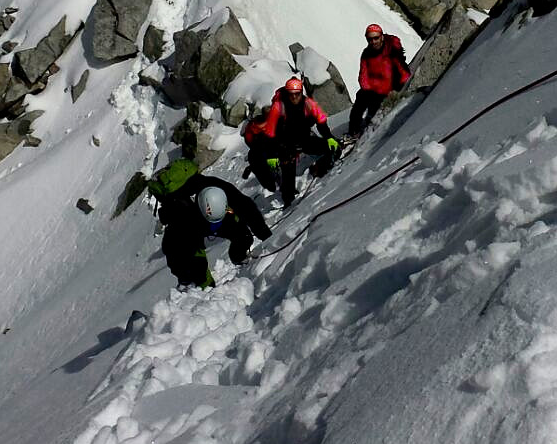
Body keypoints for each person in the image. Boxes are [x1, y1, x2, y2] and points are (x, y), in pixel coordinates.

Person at [151, 158, 270, 288]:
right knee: (191, 267)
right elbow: (186, 252)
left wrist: (265, 234)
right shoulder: (181, 217)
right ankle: (191, 285)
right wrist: (205, 286)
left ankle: (240, 259)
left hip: (213, 218)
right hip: (192, 226)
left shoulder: (215, 187)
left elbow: (244, 205)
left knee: (243, 236)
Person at [241, 77, 339, 206]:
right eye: (291, 94)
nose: (294, 97)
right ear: (287, 93)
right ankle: (289, 199)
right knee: (288, 171)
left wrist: (329, 137)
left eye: (297, 94)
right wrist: (272, 155)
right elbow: (270, 132)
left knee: (334, 148)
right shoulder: (279, 107)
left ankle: (318, 169)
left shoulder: (308, 103)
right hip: (285, 145)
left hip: (304, 139)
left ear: (301, 92)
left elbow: (320, 120)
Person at [348, 23, 411, 139]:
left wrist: (400, 87)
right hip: (373, 91)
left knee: (374, 114)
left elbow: (402, 70)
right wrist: (368, 90)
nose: (373, 41)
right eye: (370, 39)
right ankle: (353, 132)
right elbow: (363, 75)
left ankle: (365, 130)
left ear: (381, 36)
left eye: (376, 38)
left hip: (389, 90)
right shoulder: (367, 54)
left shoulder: (391, 49)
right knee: (358, 104)